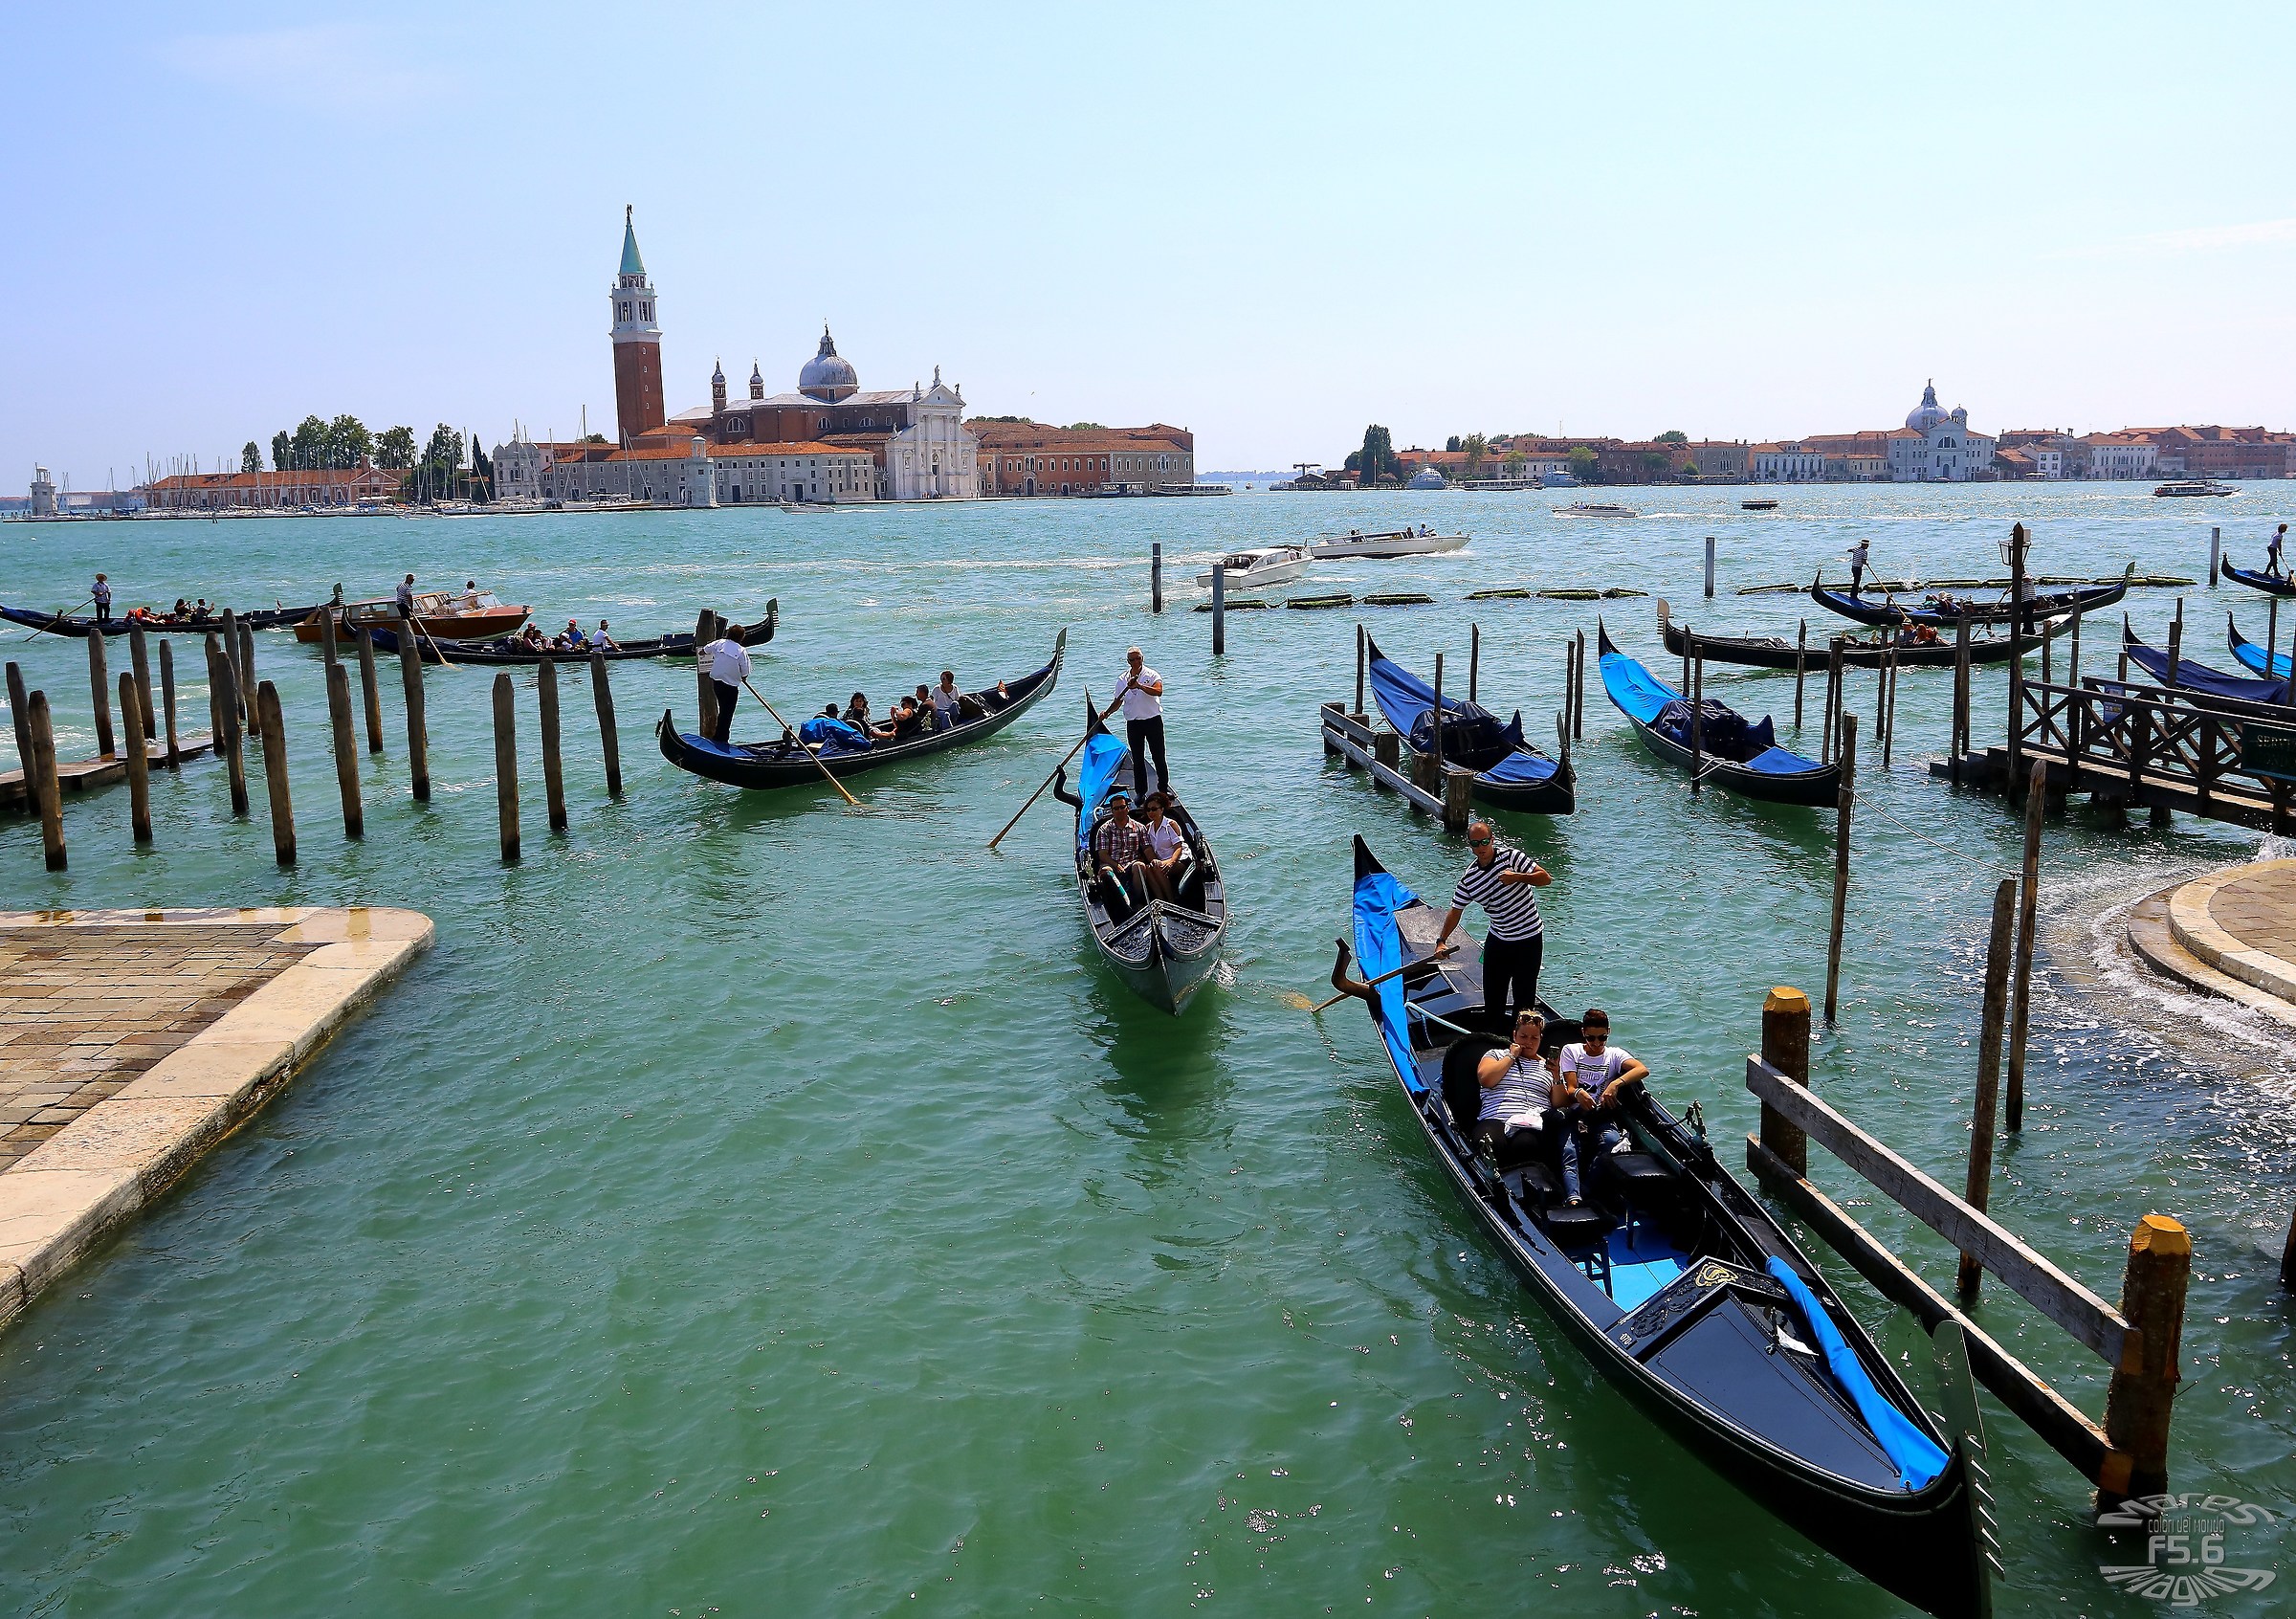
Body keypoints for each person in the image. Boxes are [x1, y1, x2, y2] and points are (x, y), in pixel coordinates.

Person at [1434, 821, 1552, 1024]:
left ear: (1492, 840)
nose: (1481, 848)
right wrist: (1441, 941)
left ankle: (1522, 1045)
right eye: (1475, 844)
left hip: (1529, 938)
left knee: (1524, 998)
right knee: (1493, 997)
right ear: (1470, 846)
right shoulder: (1470, 878)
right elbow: (1455, 910)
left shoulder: (1513, 857)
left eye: (1485, 842)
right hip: (1498, 939)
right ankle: (1495, 1043)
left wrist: (1517, 877)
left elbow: (1545, 878)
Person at [1550, 1009, 1649, 1205]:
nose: (1596, 1044)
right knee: (1569, 1150)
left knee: (1611, 1143)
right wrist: (1579, 1093)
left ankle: (1586, 1189)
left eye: (1602, 1038)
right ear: (1583, 1033)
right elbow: (1571, 1087)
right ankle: (1573, 1198)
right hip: (1574, 1112)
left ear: (1608, 1033)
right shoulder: (1571, 1050)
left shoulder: (1615, 1054)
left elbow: (1642, 1069)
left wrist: (1615, 1084)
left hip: (1600, 1115)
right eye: (1591, 1038)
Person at [1472, 1010, 1556, 1163]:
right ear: (1514, 1035)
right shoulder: (1496, 1055)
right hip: (1495, 1117)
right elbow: (1486, 1079)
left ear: (1540, 1039)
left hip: (1531, 1122)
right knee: (1491, 1143)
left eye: (1534, 1038)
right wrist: (1511, 1056)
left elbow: (1558, 1103)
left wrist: (1556, 1075)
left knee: (1526, 1145)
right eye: (1523, 1037)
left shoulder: (1549, 1067)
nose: (1528, 1042)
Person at [1105, 646, 1169, 795]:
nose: (1136, 662)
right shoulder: (1122, 680)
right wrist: (1107, 713)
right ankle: (1141, 792)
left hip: (1153, 721)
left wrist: (1139, 686)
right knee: (1138, 760)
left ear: (1142, 658)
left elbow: (1158, 691)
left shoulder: (1152, 675)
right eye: (1132, 660)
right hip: (1134, 724)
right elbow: (1118, 701)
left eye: (1138, 659)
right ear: (1128, 661)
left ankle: (1163, 788)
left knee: (1158, 756)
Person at [1090, 787, 1156, 913]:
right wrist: (1116, 865)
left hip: (1132, 863)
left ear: (1127, 808)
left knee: (1140, 866)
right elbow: (1102, 854)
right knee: (1106, 871)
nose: (1120, 810)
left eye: (1122, 807)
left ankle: (1136, 900)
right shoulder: (1104, 829)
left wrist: (1155, 862)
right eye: (1116, 808)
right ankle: (1119, 905)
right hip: (1112, 864)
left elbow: (1147, 849)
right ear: (1112, 811)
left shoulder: (1139, 827)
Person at [701, 629, 753, 744]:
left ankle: (718, 736)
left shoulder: (719, 643)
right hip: (730, 686)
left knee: (723, 710)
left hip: (717, 683)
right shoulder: (740, 651)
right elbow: (745, 670)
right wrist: (743, 677)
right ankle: (721, 739)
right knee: (727, 713)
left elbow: (705, 649)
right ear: (741, 638)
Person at [1136, 790, 1189, 901]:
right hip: (1162, 861)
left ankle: (1171, 900)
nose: (1151, 812)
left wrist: (1171, 862)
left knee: (1157, 867)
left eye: (1154, 809)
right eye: (1148, 810)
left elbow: (1178, 847)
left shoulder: (1170, 824)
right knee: (1149, 868)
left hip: (1180, 859)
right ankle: (1160, 899)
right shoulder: (1148, 828)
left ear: (1162, 809)